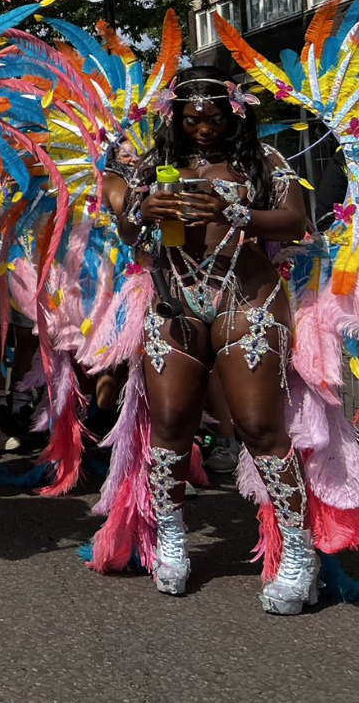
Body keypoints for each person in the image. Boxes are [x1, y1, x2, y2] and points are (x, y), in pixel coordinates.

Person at [94, 65, 315, 612]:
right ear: (176, 116)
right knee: (170, 425)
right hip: (173, 303)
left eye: (215, 118)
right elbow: (124, 229)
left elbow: (295, 222)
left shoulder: (264, 162)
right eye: (192, 118)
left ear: (235, 113)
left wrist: (233, 211)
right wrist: (140, 210)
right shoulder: (156, 166)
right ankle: (171, 539)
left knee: (260, 427)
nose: (203, 128)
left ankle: (300, 556)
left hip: (247, 301)